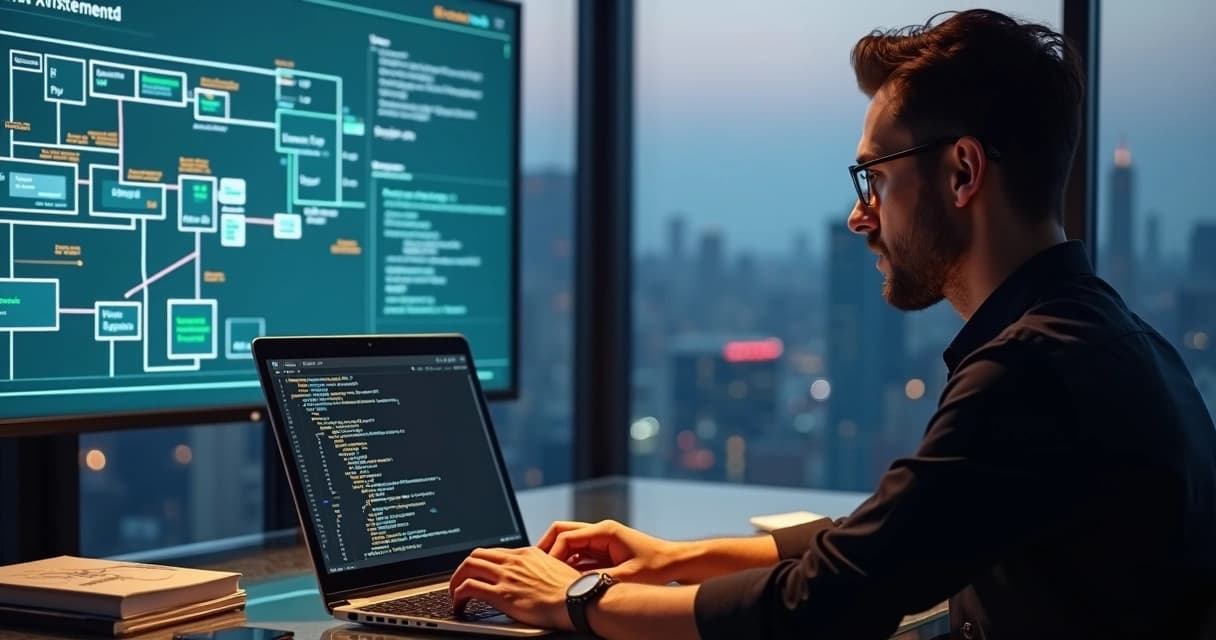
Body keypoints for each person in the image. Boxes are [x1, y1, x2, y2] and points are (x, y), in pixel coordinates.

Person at [448, 9, 1216, 639]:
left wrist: (576, 599)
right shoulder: (1117, 339)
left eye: (876, 179)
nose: (859, 216)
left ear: (961, 173)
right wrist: (672, 559)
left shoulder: (1031, 369)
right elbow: (905, 534)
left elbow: (826, 602)